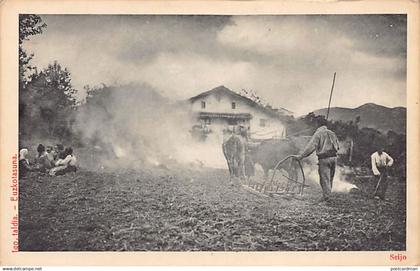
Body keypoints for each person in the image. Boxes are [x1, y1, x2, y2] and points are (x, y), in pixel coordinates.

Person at [295, 119, 340, 203]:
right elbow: (338, 146)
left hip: (324, 158)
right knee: (330, 178)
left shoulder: (318, 133)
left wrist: (301, 156)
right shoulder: (332, 133)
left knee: (324, 179)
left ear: (318, 125)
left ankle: (327, 197)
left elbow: (310, 147)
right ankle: (327, 195)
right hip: (334, 158)